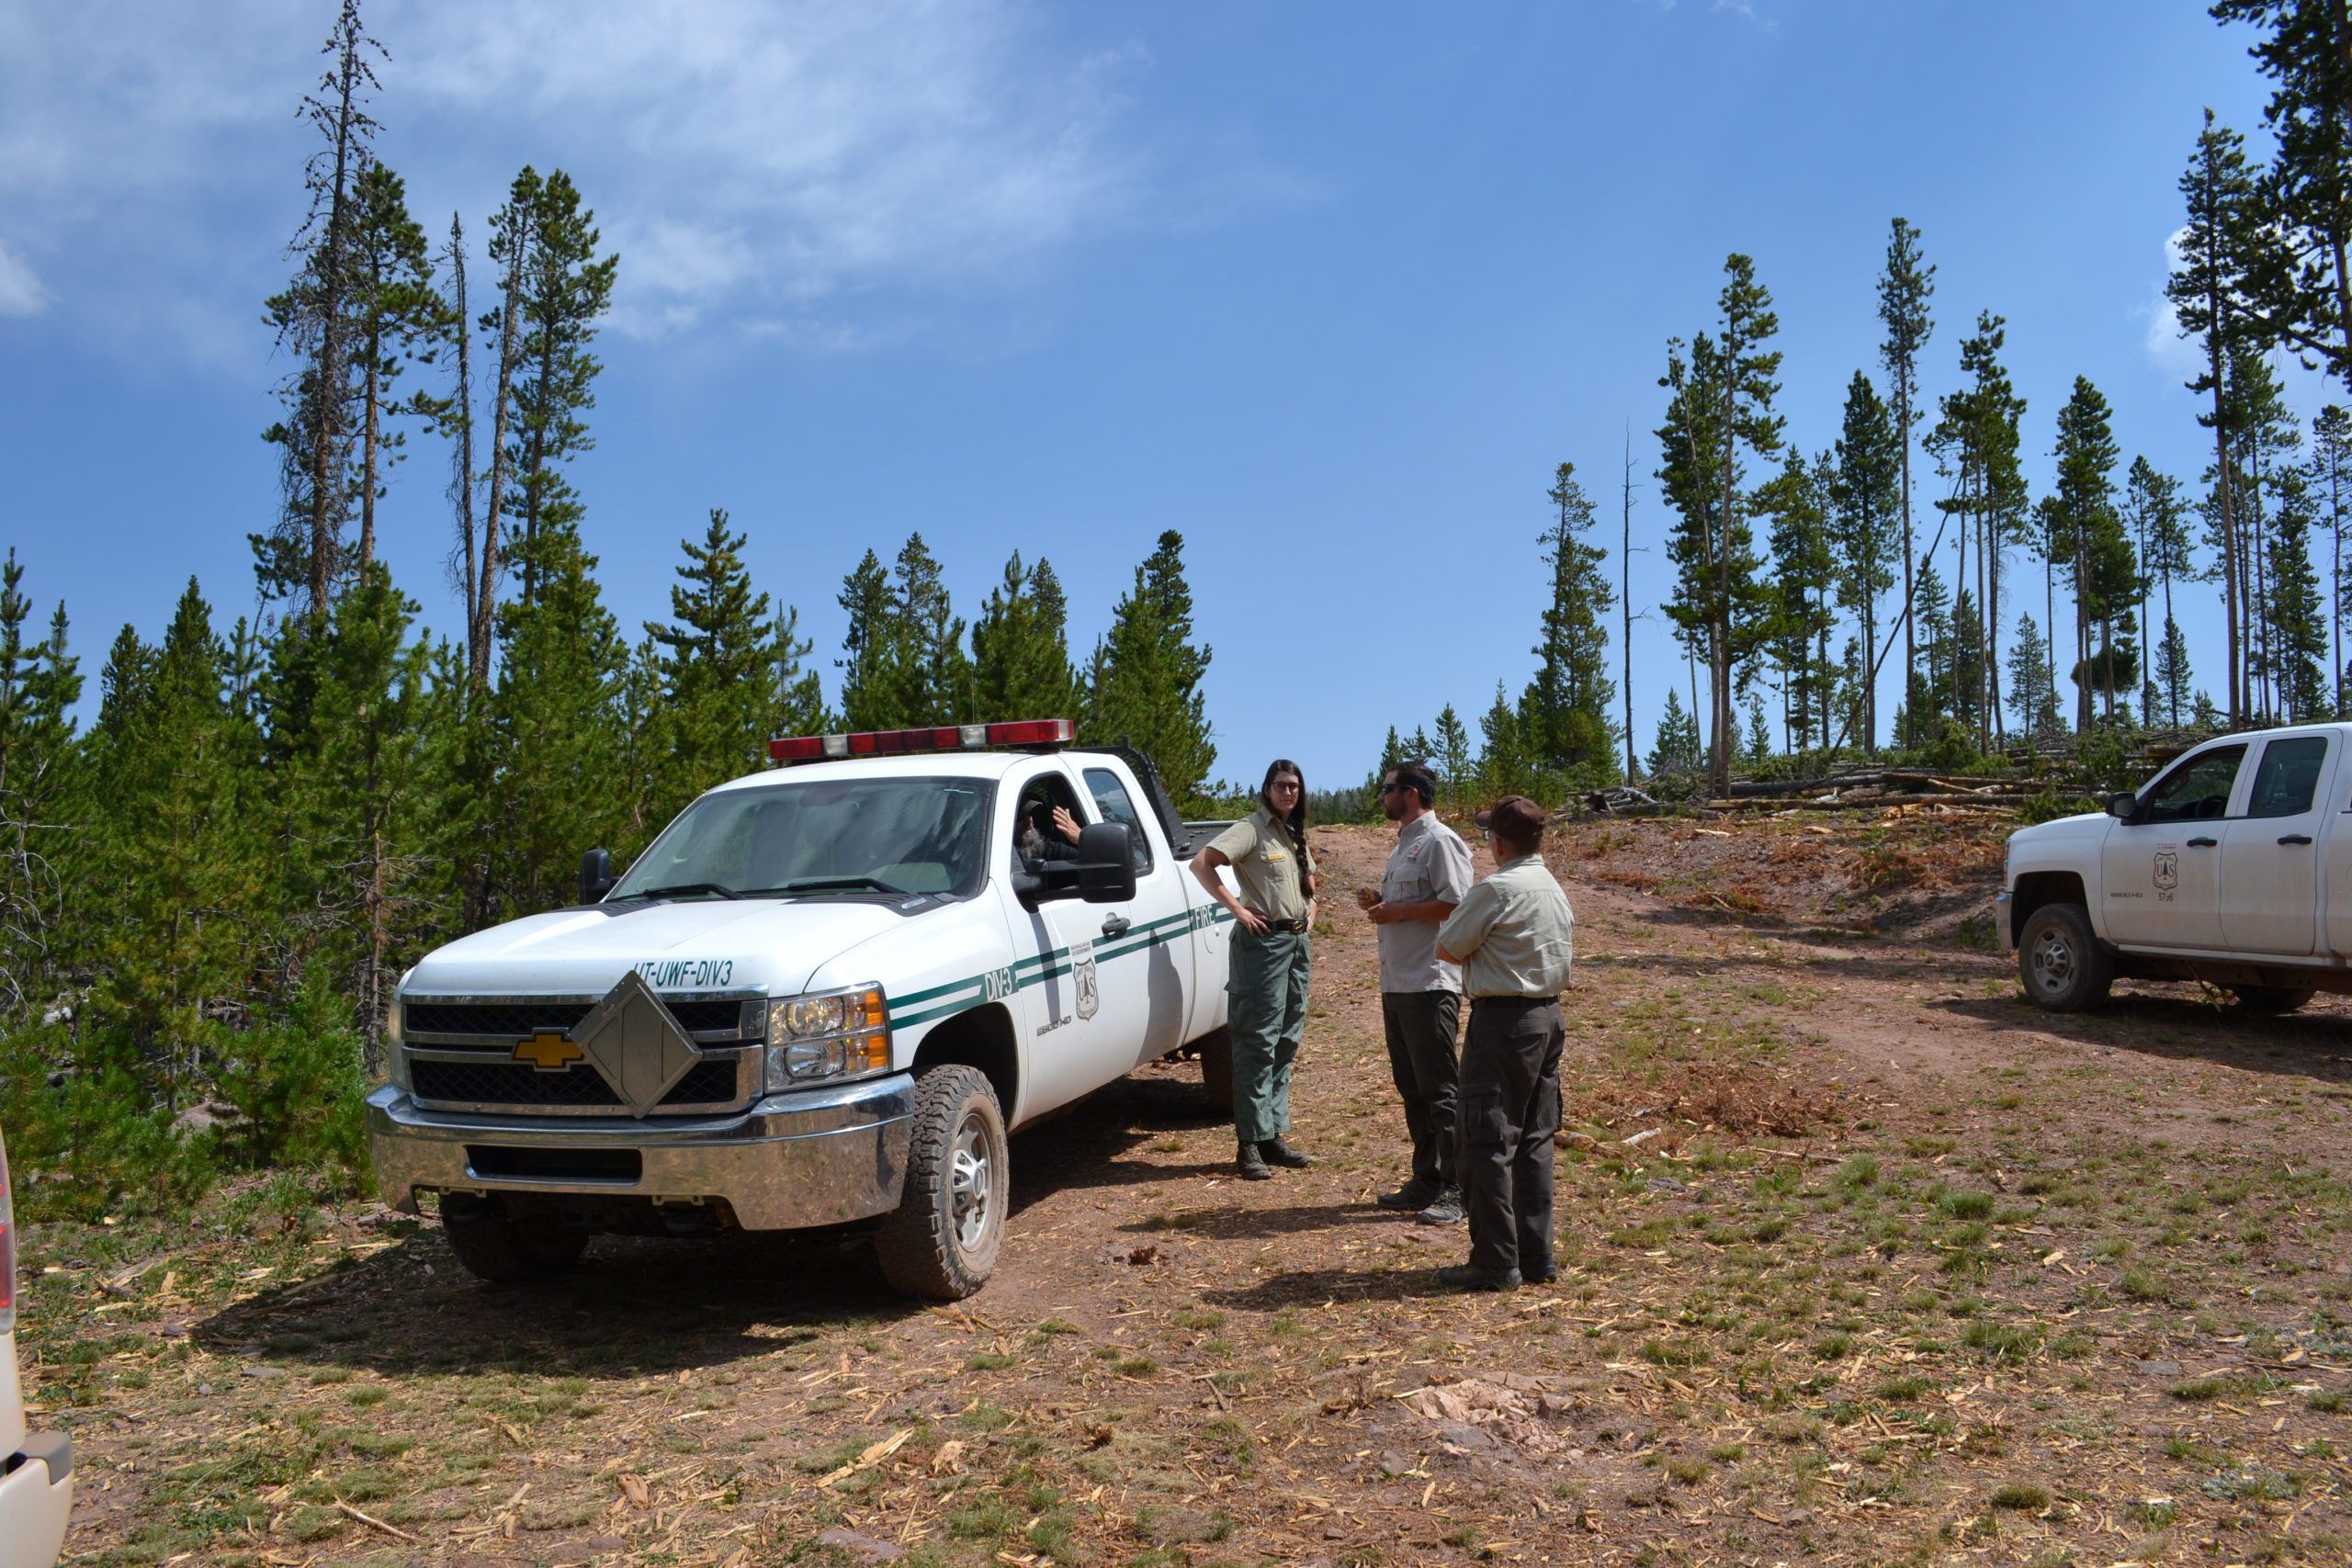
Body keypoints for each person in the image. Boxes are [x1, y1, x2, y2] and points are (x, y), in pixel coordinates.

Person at [1432, 795, 1574, 1291]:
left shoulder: (1496, 889)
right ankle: (1537, 1258)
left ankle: (1495, 1262)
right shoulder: (1552, 886)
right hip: (1548, 1018)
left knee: (1486, 1141)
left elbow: (1446, 946)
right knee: (1534, 1141)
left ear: (1496, 842)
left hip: (1503, 1024)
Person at [1356, 761, 1474, 1225]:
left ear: (1409, 793)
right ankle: (1428, 1177)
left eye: (1386, 789)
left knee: (1441, 1091)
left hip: (1429, 984)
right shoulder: (1405, 844)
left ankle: (1459, 1187)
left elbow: (1460, 905)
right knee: (1413, 1089)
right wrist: (1386, 908)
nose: (1381, 797)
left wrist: (1400, 912)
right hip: (1398, 983)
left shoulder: (1441, 841)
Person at [1190, 760, 1319, 1180]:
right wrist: (1239, 910)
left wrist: (1311, 913)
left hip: (1296, 945)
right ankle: (1248, 1143)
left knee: (1286, 1038)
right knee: (1256, 1043)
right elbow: (1202, 864)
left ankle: (1272, 1135)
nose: (1288, 793)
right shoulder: (1251, 829)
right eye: (1281, 786)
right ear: (1266, 789)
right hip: (1262, 948)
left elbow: (1310, 886)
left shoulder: (1293, 832)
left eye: (1294, 786)